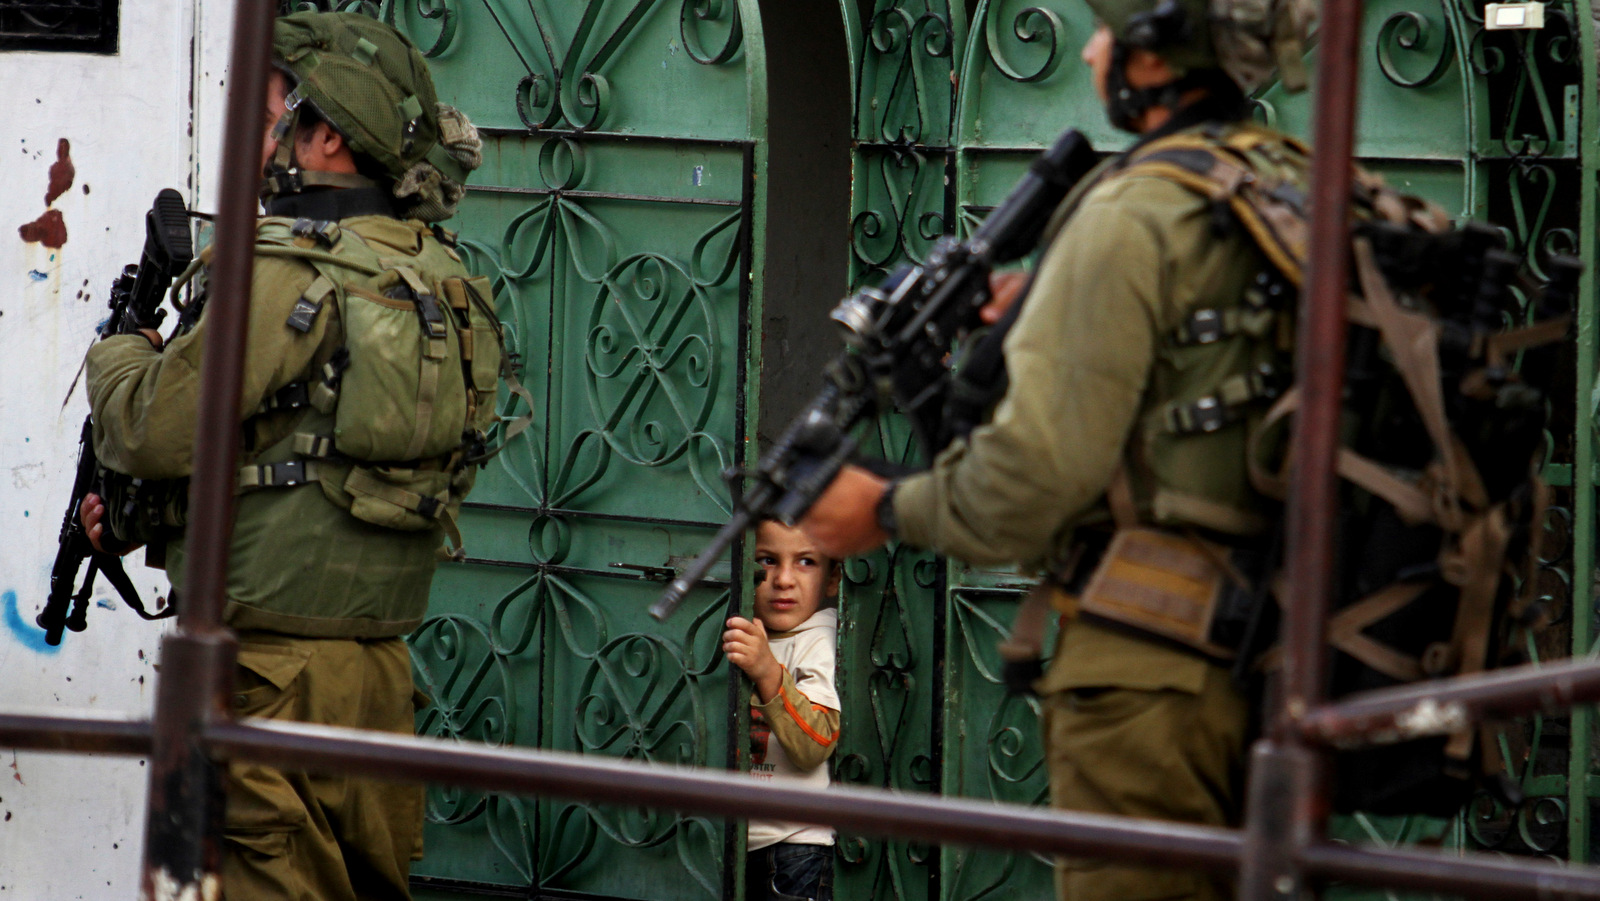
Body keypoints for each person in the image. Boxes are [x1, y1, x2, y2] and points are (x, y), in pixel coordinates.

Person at [798, 0, 1315, 898]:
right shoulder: (1288, 183)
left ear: (1153, 56)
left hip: (1155, 682)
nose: (1089, 48)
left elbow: (1023, 491)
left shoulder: (1132, 215)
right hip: (1284, 653)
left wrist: (881, 507)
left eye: (1109, 30)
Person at [81, 11, 494, 900]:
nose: (253, 123)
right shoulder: (442, 277)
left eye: (269, 101)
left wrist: (119, 347)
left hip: (262, 673)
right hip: (378, 674)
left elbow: (154, 427)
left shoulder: (284, 268)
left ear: (326, 132)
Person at [723, 520, 842, 901]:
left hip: (795, 848)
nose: (784, 579)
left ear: (832, 578)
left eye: (806, 561)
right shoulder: (741, 632)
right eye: (767, 560)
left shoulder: (820, 640)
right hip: (731, 840)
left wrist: (767, 672)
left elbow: (814, 745)